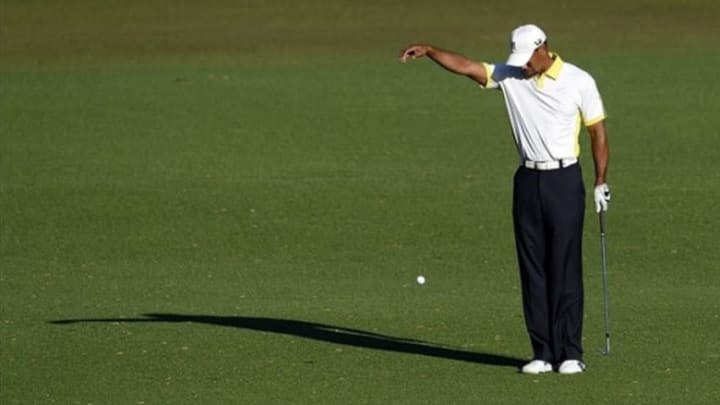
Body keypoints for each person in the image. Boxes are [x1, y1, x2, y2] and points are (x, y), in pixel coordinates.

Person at [399, 24, 611, 375]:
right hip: (527, 180)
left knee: (564, 264)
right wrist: (431, 50)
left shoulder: (579, 80)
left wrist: (600, 180)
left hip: (564, 178)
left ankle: (570, 352)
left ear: (543, 48)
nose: (523, 65)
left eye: (527, 58)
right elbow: (466, 66)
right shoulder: (510, 75)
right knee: (533, 267)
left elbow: (597, 131)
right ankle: (542, 352)